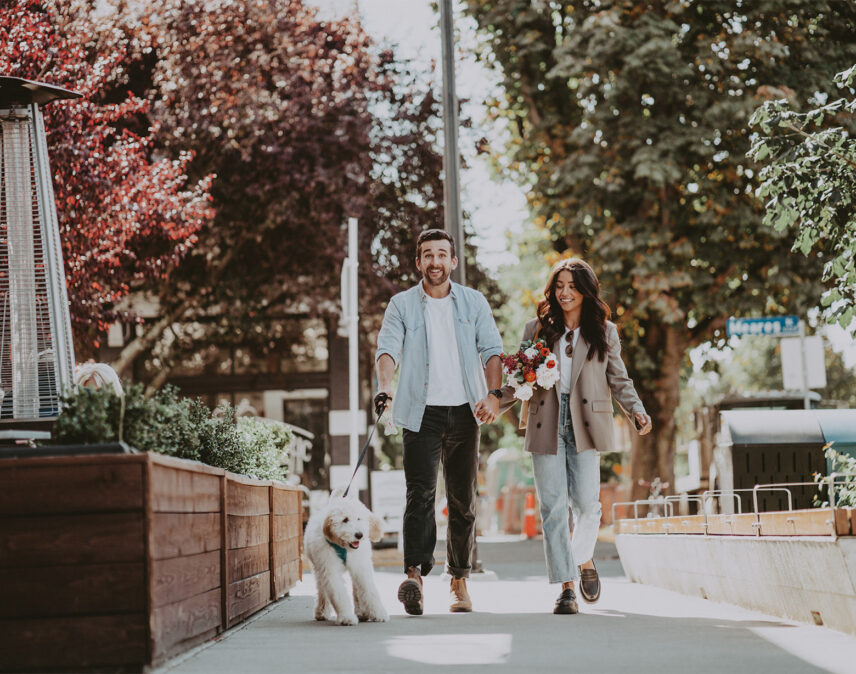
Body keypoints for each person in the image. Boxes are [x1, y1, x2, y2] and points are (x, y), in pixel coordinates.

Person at [477, 258, 651, 615]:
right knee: (553, 508)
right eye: (559, 286)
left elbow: (618, 379)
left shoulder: (605, 331)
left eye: (572, 286)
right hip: (547, 421)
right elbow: (519, 378)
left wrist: (636, 409)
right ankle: (566, 587)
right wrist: (496, 400)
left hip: (588, 422)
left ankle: (582, 558)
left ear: (585, 290)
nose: (565, 292)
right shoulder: (537, 330)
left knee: (588, 506)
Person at [374, 229, 503, 615]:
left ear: (453, 261)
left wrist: (493, 396)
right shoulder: (401, 305)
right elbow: (387, 347)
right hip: (420, 411)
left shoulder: (473, 302)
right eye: (427, 255)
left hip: (465, 410)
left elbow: (493, 350)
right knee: (421, 496)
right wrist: (385, 386)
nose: (435, 262)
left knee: (463, 501)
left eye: (441, 255)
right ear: (418, 262)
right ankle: (414, 575)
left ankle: (458, 581)